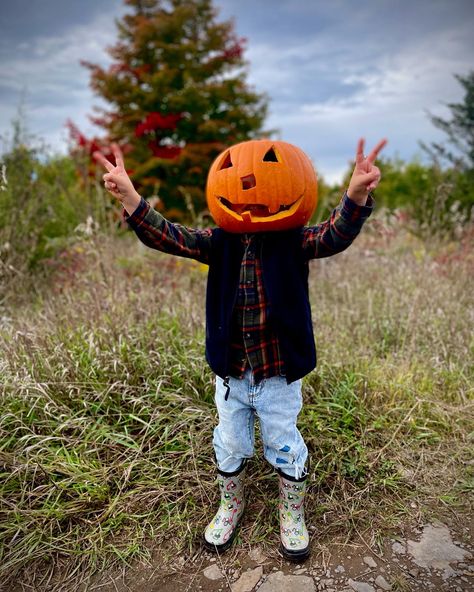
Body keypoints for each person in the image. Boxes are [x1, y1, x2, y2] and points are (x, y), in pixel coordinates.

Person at [94, 136, 386, 562]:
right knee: (229, 442)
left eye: (268, 169)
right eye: (234, 173)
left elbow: (334, 235)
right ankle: (231, 504)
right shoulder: (219, 242)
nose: (249, 184)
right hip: (231, 375)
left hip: (278, 376)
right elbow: (170, 237)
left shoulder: (294, 241)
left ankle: (291, 512)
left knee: (284, 443)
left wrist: (355, 195)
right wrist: (133, 199)